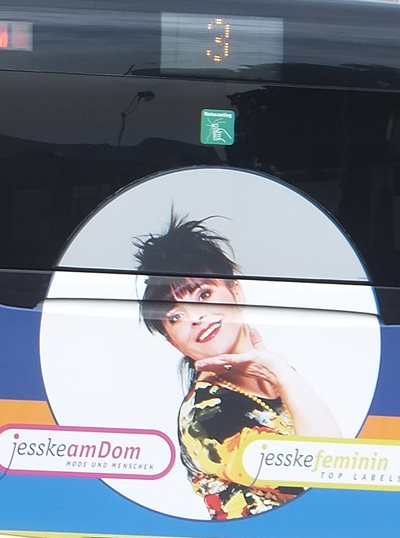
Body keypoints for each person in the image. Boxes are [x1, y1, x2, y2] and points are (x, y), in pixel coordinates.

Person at [135, 213, 340, 520]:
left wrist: (281, 374)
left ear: (236, 291)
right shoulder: (205, 415)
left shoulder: (272, 375)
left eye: (204, 294)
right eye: (175, 316)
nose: (195, 317)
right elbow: (325, 473)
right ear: (171, 341)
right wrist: (282, 372)